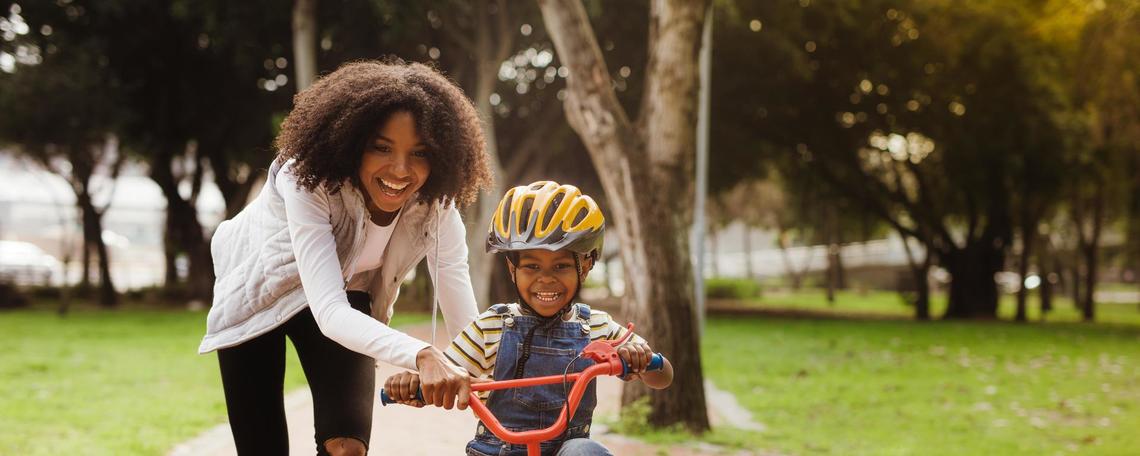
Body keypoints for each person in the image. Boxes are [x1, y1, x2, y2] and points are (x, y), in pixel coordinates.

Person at [198, 59, 492, 456]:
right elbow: (328, 311)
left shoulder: (436, 207)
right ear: (353, 143)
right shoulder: (307, 180)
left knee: (347, 448)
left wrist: (488, 374)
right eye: (381, 147)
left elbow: (459, 306)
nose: (400, 169)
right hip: (257, 294)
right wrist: (421, 354)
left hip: (343, 294)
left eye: (419, 153)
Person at [384, 181, 675, 456]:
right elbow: (447, 372)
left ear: (584, 267)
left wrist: (640, 358)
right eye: (532, 266)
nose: (545, 280)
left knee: (584, 451)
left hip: (567, 451)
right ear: (512, 268)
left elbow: (662, 376)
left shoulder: (597, 326)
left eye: (560, 266)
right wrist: (416, 384)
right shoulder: (491, 326)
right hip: (496, 450)